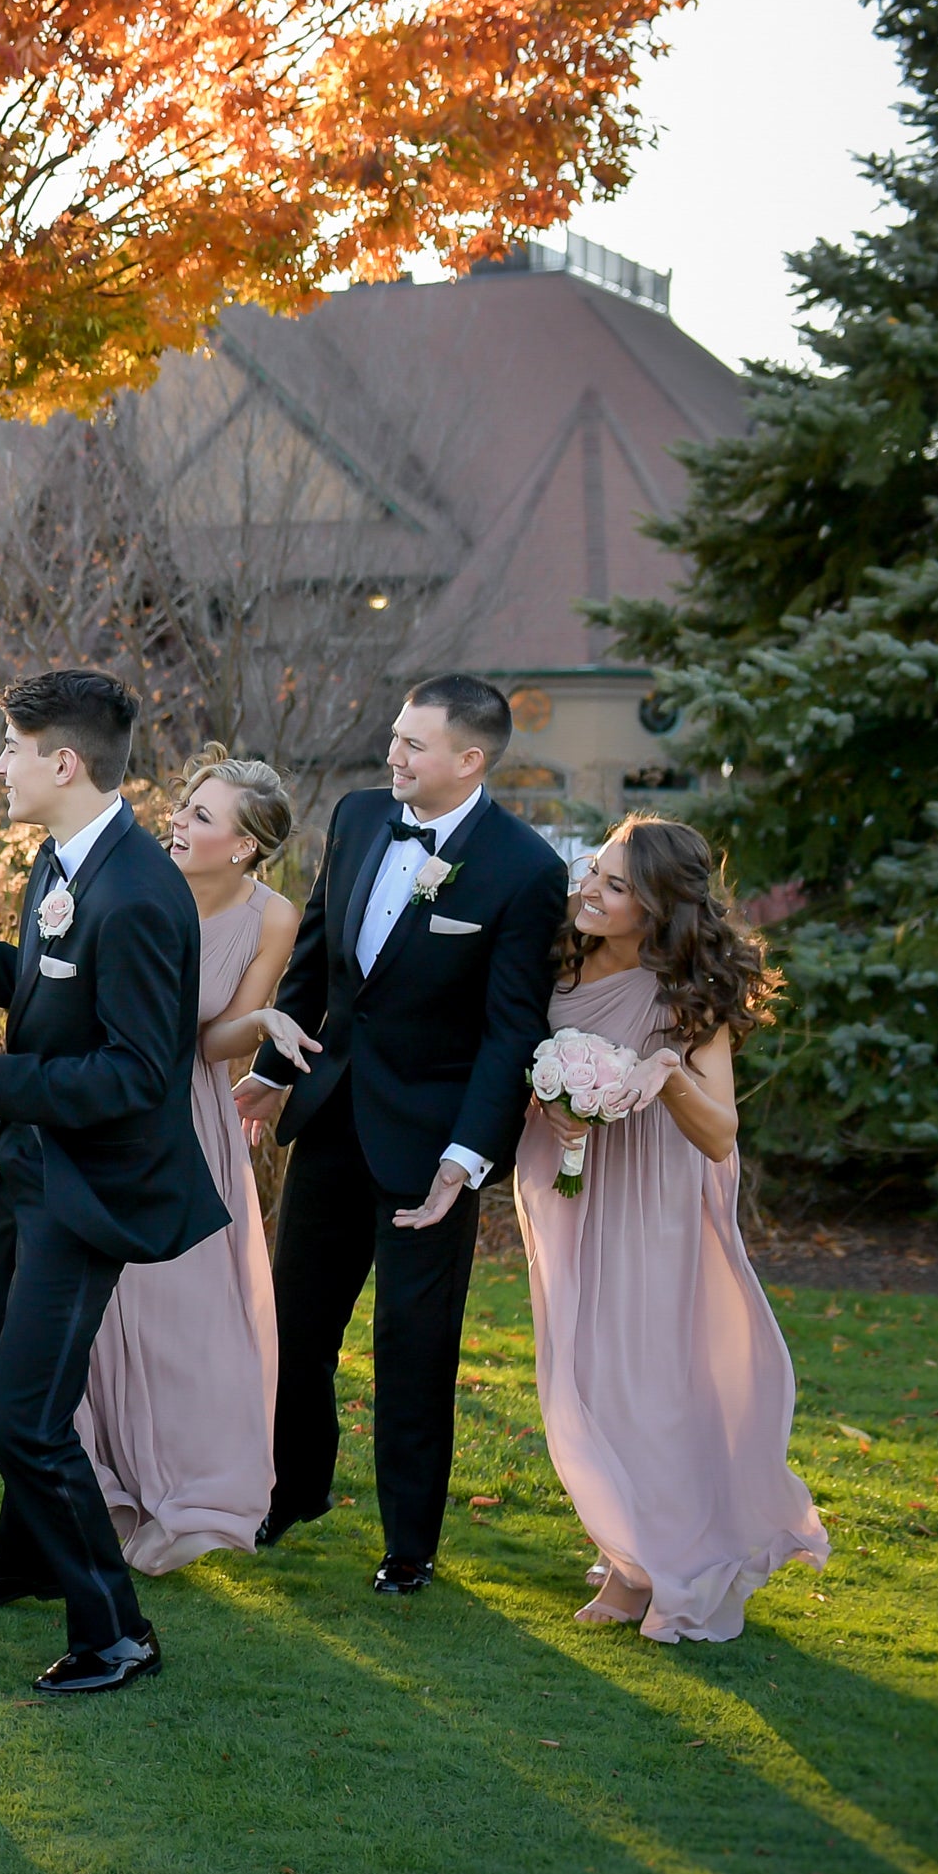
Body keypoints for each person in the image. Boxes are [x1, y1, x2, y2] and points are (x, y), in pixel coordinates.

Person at [0, 670, 224, 1695]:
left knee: (24, 1417)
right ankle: (26, 1560)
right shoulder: (66, 860)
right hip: (29, 1163)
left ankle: (115, 1629)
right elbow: (39, 980)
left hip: (88, 1186)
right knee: (12, 1384)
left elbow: (134, 1072)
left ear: (61, 762)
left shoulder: (139, 892)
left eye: (9, 748)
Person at [235, 676, 571, 1595]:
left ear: (470, 759)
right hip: (332, 1117)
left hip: (431, 1147)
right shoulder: (354, 819)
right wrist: (272, 1074)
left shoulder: (524, 869)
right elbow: (316, 957)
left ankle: (409, 1542)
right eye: (395, 737)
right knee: (295, 1324)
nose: (393, 755)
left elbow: (512, 1031)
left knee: (414, 1345)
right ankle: (290, 1490)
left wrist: (467, 1160)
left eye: (414, 745)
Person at [517, 818, 826, 1641]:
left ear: (656, 907)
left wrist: (663, 1077)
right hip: (572, 1181)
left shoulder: (688, 989)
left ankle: (644, 1571)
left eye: (616, 886)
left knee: (641, 1375)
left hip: (651, 1194)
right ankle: (625, 1541)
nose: (591, 888)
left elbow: (720, 1130)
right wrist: (554, 1097)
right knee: (581, 1368)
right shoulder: (565, 954)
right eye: (596, 871)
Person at [73, 752, 303, 1573]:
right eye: (186, 805)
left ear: (244, 846)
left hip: (188, 1118)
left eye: (204, 815)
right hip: (107, 1109)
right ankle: (98, 1485)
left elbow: (215, 1036)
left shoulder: (273, 917)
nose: (179, 820)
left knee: (186, 1313)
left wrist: (264, 1026)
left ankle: (184, 1486)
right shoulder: (133, 884)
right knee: (97, 1311)